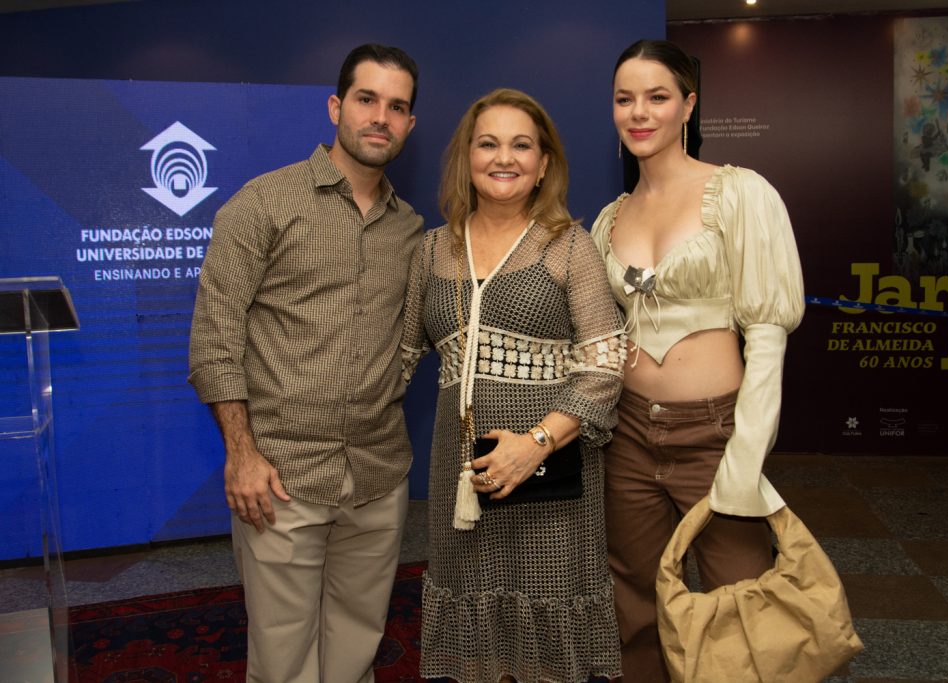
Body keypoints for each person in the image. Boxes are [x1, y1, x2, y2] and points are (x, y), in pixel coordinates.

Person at [187, 43, 422, 683]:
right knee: (283, 659)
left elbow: (414, 337)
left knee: (356, 648)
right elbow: (214, 335)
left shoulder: (411, 229)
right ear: (335, 107)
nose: (381, 117)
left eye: (397, 107)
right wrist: (241, 451)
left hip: (377, 475)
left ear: (409, 124)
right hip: (279, 478)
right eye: (367, 99)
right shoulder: (262, 204)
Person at [591, 39, 805, 682]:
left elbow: (767, 332)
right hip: (627, 431)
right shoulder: (609, 218)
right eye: (625, 98)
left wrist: (747, 451)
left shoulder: (739, 194)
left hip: (715, 432)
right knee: (633, 593)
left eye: (657, 97)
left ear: (688, 103)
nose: (640, 112)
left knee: (739, 598)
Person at [401, 88, 627, 682]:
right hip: (463, 478)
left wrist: (535, 445)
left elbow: (605, 364)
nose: (505, 158)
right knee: (474, 649)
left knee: (548, 648)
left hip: (550, 475)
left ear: (544, 163)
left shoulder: (568, 246)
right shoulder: (431, 251)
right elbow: (395, 358)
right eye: (489, 143)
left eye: (521, 145)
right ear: (466, 158)